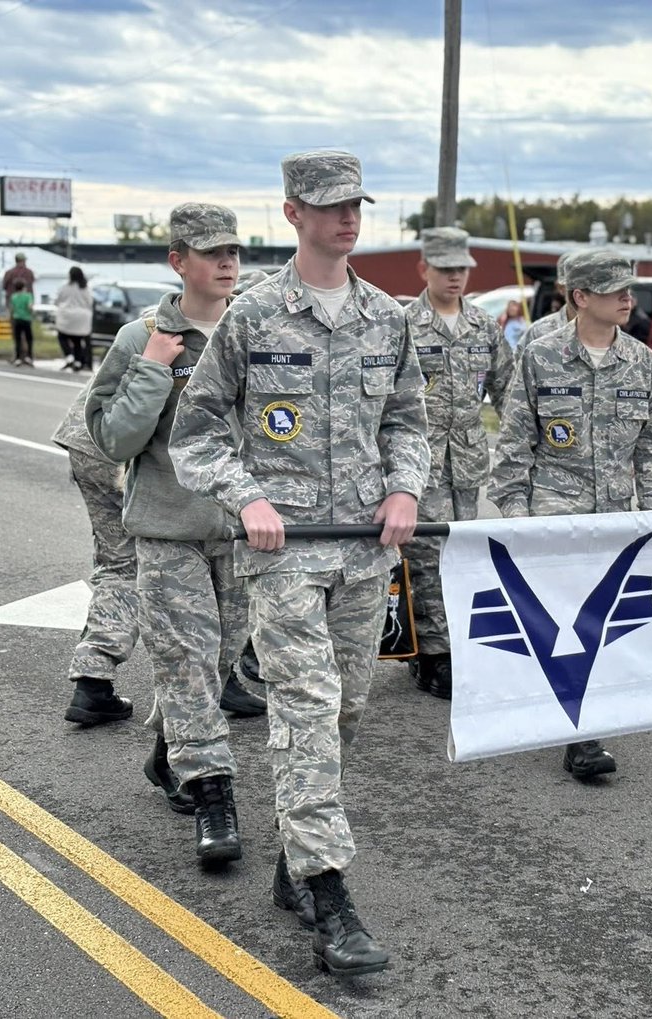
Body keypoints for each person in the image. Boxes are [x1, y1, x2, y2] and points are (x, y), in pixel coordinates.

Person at [170, 149, 430, 977]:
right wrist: (246, 497)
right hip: (282, 554)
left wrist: (405, 487)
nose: (347, 217)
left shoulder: (386, 317)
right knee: (307, 709)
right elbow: (196, 434)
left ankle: (296, 849)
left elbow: (407, 420)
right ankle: (328, 893)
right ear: (293, 213)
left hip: (363, 554)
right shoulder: (253, 315)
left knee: (347, 708)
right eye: (330, 205)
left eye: (356, 203)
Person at [86, 203, 263, 847]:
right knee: (187, 662)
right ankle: (214, 795)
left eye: (232, 252)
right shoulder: (142, 338)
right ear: (177, 261)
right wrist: (154, 370)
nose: (226, 263)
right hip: (168, 530)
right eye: (211, 252)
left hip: (241, 533)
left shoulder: (256, 332)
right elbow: (113, 439)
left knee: (217, 661)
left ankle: (169, 751)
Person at [489, 249, 652, 781]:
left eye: (629, 290)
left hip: (615, 520)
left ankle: (580, 721)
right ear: (581, 297)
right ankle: (581, 736)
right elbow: (515, 444)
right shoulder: (540, 356)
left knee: (602, 623)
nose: (628, 299)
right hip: (555, 519)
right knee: (566, 625)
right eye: (615, 290)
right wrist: (518, 518)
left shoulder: (640, 360)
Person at [404, 227, 513, 698]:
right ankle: (432, 653)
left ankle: (456, 645)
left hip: (466, 461)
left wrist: (522, 450)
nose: (455, 277)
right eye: (445, 268)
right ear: (424, 269)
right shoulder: (404, 324)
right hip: (419, 461)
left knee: (463, 553)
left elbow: (509, 392)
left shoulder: (483, 326)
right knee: (426, 556)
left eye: (461, 269)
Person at [56, 384, 141, 733]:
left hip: (88, 435)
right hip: (129, 444)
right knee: (208, 554)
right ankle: (220, 677)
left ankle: (92, 682)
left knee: (119, 562)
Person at [516, 250, 580, 355]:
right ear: (561, 288)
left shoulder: (608, 329)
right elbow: (518, 364)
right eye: (577, 284)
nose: (584, 292)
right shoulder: (538, 332)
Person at [55, 266, 94, 371]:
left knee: (62, 336)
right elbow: (90, 302)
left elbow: (57, 300)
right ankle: (77, 362)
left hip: (67, 316)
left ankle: (69, 356)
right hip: (82, 317)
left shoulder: (65, 286)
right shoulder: (85, 288)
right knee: (77, 340)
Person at [9, 279, 34, 366]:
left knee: (18, 339)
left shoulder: (13, 297)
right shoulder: (28, 296)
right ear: (23, 287)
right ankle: (29, 357)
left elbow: (12, 309)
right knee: (29, 339)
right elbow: (29, 307)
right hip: (26, 319)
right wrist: (32, 313)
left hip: (17, 319)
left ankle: (18, 358)